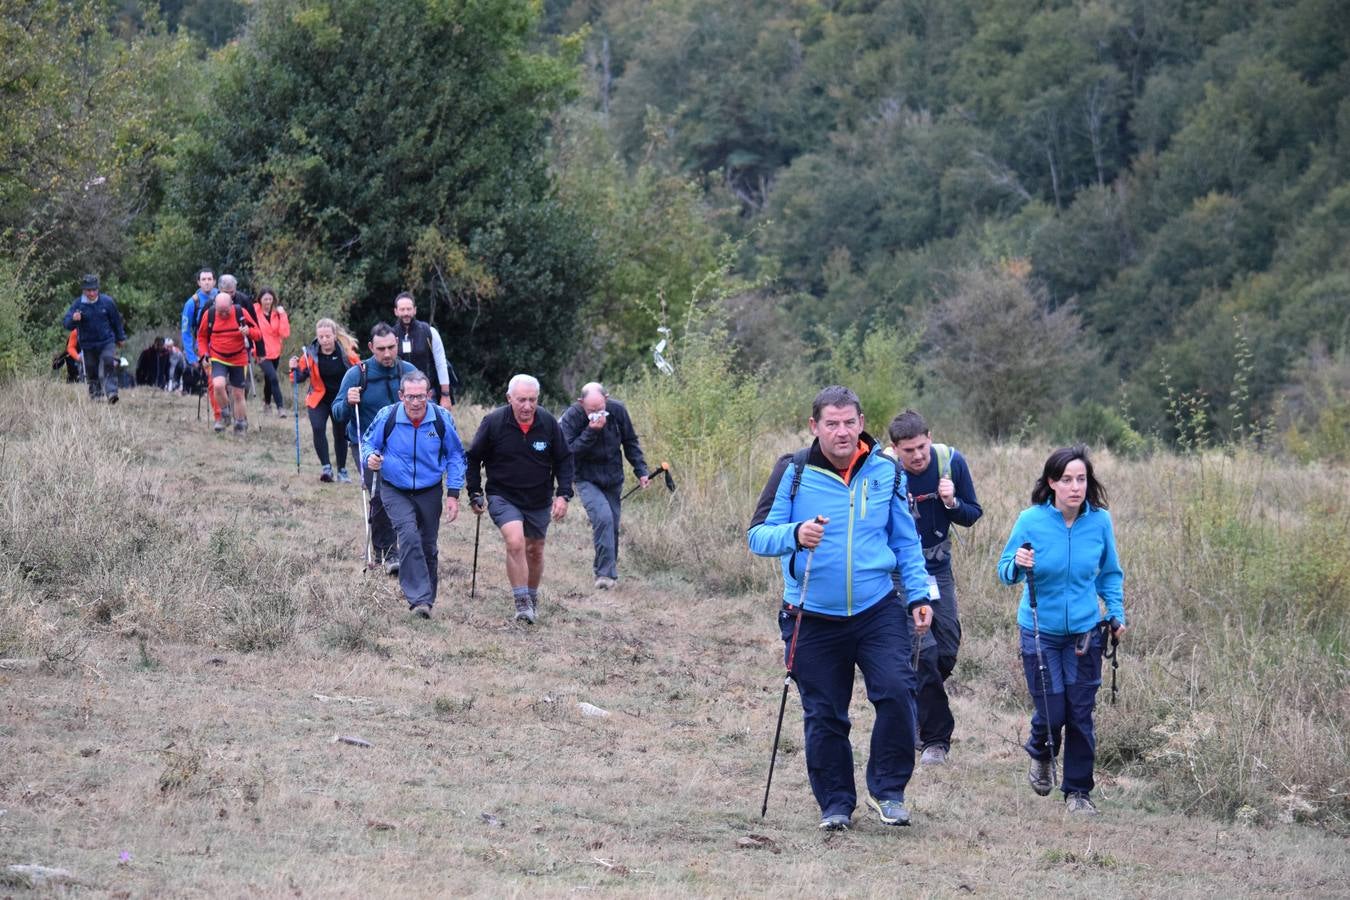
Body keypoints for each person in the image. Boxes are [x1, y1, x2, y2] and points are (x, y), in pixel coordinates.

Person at [747, 385, 932, 831]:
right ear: (815, 427)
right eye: (832, 423)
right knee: (826, 712)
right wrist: (795, 534)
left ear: (862, 423)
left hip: (876, 607)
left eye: (850, 422)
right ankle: (835, 804)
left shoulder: (886, 471)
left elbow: (905, 540)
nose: (842, 431)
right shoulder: (792, 471)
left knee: (896, 690)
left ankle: (888, 792)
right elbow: (758, 536)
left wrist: (920, 594)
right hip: (810, 613)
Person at [997, 444, 1126, 816]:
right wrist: (1018, 563)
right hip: (1040, 631)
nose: (1075, 487)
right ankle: (1040, 749)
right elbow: (1004, 571)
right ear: (1052, 482)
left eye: (1081, 479)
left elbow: (1109, 574)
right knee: (1053, 712)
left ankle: (1078, 793)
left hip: (1085, 632)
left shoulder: (1100, 522)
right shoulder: (1031, 520)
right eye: (1067, 479)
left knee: (1081, 714)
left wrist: (1116, 614)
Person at [885, 410, 982, 766]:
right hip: (899, 573)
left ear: (930, 437)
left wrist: (951, 501)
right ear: (895, 449)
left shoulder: (949, 462)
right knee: (922, 650)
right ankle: (934, 740)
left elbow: (972, 514)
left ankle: (908, 700)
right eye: (908, 450)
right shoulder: (883, 471)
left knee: (947, 649)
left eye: (922, 447)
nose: (918, 456)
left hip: (938, 568)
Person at [465, 374, 574, 624]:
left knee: (534, 550)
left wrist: (563, 495)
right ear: (509, 398)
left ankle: (532, 597)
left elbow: (565, 459)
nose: (527, 406)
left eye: (532, 400)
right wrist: (475, 492)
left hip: (538, 497)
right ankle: (522, 603)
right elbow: (473, 458)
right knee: (515, 542)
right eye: (521, 400)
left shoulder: (547, 422)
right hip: (503, 494)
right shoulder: (493, 422)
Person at [363, 372, 467, 618]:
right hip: (394, 487)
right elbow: (368, 442)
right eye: (410, 397)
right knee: (408, 535)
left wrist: (453, 493)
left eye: (421, 396)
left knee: (428, 544)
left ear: (429, 395)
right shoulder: (387, 416)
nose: (416, 402)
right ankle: (418, 598)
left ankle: (427, 600)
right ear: (401, 396)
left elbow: (455, 456)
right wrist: (370, 457)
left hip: (429, 489)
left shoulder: (441, 419)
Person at [332, 323, 418, 571]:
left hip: (402, 444)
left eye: (392, 347)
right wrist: (348, 401)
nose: (388, 354)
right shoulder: (358, 374)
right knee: (380, 492)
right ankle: (389, 554)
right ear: (371, 348)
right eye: (381, 349)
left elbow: (425, 405)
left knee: (407, 494)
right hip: (366, 444)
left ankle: (408, 548)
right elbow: (337, 413)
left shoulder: (409, 372)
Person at [557, 382, 650, 589]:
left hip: (613, 477)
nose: (597, 413)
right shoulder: (572, 417)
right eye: (591, 410)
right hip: (585, 477)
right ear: (581, 403)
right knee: (603, 518)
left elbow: (630, 442)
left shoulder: (617, 410)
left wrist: (641, 471)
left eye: (600, 408)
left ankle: (604, 570)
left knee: (612, 525)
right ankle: (606, 576)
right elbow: (567, 453)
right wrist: (591, 431)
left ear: (606, 399)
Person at [290, 318, 360, 482]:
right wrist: (293, 367)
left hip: (340, 400)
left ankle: (342, 471)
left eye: (327, 336)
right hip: (318, 399)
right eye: (321, 337)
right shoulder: (310, 355)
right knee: (318, 427)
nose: (324, 340)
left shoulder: (347, 354)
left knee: (340, 434)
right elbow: (298, 377)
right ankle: (326, 468)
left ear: (335, 336)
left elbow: (360, 371)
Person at [196, 290, 257, 434]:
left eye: (226, 311)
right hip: (218, 356)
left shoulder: (240, 312)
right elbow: (202, 337)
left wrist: (248, 332)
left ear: (232, 304)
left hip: (238, 357)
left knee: (238, 394)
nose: (223, 314)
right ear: (214, 306)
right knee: (218, 385)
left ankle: (240, 424)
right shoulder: (209, 314)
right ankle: (225, 413)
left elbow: (258, 333)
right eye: (220, 311)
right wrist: (204, 354)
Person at [62, 274, 126, 403]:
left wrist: (120, 337)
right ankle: (96, 394)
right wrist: (73, 319)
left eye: (94, 290)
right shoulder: (78, 304)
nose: (91, 293)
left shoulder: (107, 302)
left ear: (98, 289)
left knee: (108, 361)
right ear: (83, 290)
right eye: (88, 290)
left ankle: (112, 392)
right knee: (91, 369)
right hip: (87, 344)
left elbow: (116, 321)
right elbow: (66, 323)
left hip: (106, 341)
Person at [392, 292, 457, 409]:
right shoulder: (391, 336)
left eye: (409, 309)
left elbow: (441, 364)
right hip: (400, 396)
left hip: (428, 394)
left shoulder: (430, 332)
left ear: (415, 310)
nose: (406, 313)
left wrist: (445, 395)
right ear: (396, 311)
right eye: (402, 309)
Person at [181, 268, 219, 413]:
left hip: (226, 346)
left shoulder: (223, 297)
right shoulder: (192, 303)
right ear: (198, 282)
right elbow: (186, 331)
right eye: (203, 279)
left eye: (209, 279)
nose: (207, 282)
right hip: (205, 348)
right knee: (212, 381)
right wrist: (191, 356)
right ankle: (219, 414)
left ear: (214, 281)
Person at [251, 287, 291, 418]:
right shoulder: (254, 311)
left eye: (270, 299)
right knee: (273, 377)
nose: (267, 302)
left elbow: (284, 333)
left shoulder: (277, 313)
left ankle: (267, 404)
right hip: (261, 352)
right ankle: (280, 408)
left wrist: (283, 315)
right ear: (260, 300)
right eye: (265, 299)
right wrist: (252, 348)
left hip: (275, 352)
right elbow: (250, 329)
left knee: (269, 379)